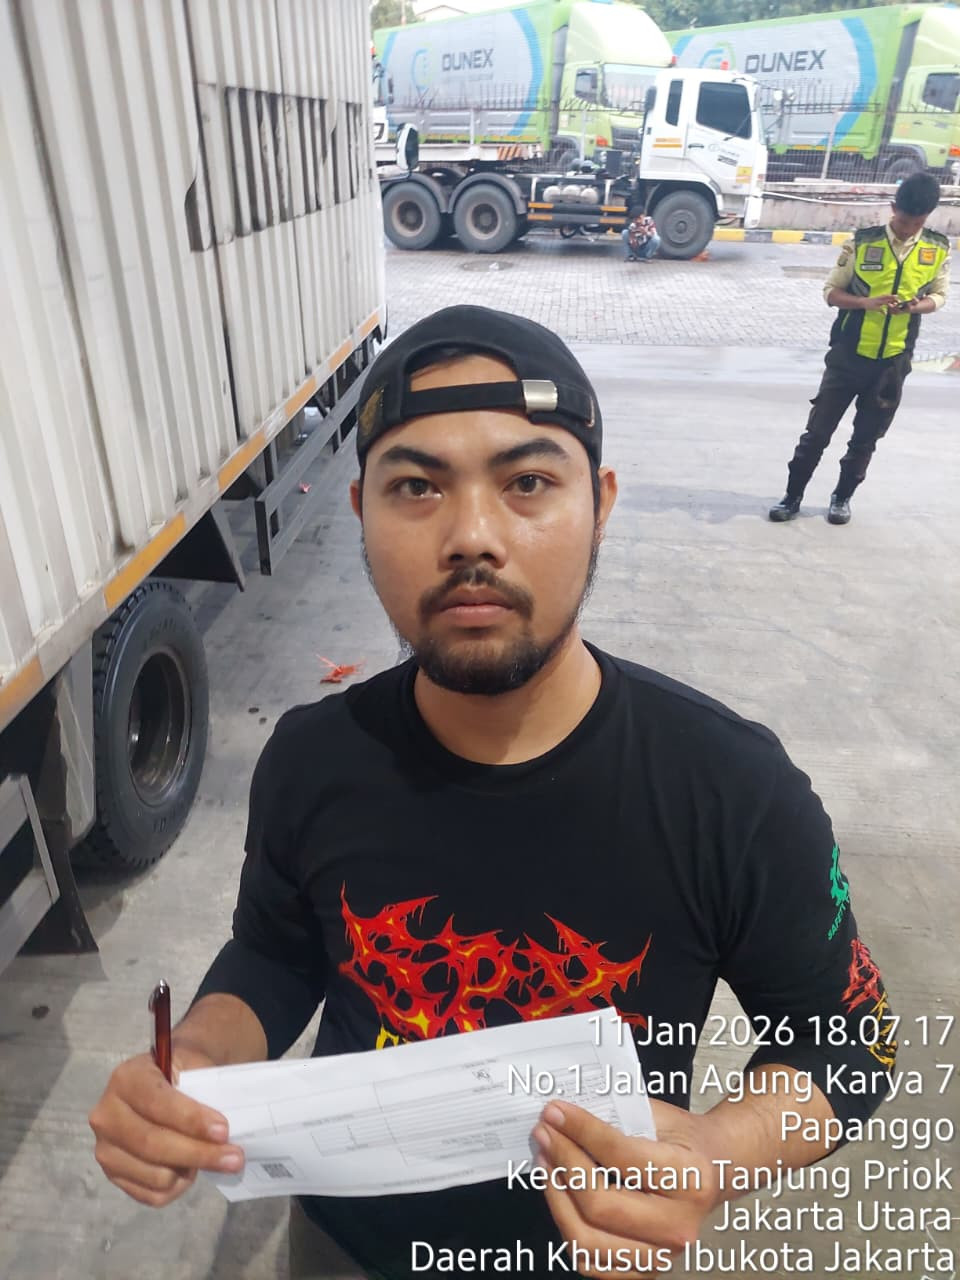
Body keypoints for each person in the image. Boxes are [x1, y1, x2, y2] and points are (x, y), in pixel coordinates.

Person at [90, 306, 896, 1279]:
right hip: (344, 1245)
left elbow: (849, 1044)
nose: (472, 537)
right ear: (361, 512)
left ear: (600, 503)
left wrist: (722, 1150)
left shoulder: (732, 790)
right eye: (417, 486)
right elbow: (275, 949)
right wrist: (198, 1062)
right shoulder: (313, 756)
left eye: (527, 483)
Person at [769, 172, 950, 525]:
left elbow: (940, 296)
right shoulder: (862, 243)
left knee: (866, 439)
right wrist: (864, 303)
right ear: (893, 208)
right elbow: (830, 293)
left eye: (916, 223)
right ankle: (792, 497)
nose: (908, 230)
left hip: (893, 362)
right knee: (817, 433)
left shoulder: (937, 247)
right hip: (848, 357)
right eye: (903, 221)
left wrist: (916, 306)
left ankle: (842, 498)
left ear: (927, 217)